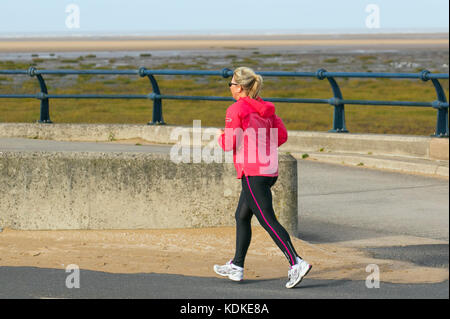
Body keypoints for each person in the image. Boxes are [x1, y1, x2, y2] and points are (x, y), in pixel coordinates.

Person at [214, 66, 312, 289]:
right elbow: (282, 136)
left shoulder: (236, 109)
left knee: (268, 220)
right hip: (269, 170)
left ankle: (296, 262)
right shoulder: (267, 108)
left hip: (253, 172)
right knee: (241, 216)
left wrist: (221, 136)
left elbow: (230, 144)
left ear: (239, 87)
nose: (229, 87)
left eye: (231, 84)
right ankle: (237, 266)